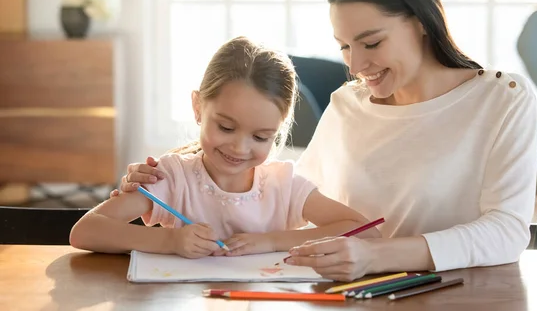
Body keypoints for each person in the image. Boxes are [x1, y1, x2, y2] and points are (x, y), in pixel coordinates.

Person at [115, 0, 537, 281]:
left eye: (371, 43)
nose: (355, 66)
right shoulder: (348, 104)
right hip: (345, 291)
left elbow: (506, 231)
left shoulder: (502, 99)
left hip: (458, 291)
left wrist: (377, 257)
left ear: (421, 21)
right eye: (344, 47)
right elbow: (288, 198)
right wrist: (175, 173)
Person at [70, 36, 380, 262]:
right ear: (198, 107)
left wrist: (272, 241)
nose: (239, 147)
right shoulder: (171, 176)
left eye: (260, 137)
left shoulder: (282, 185)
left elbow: (365, 231)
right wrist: (170, 240)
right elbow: (85, 231)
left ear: (278, 132)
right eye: (226, 128)